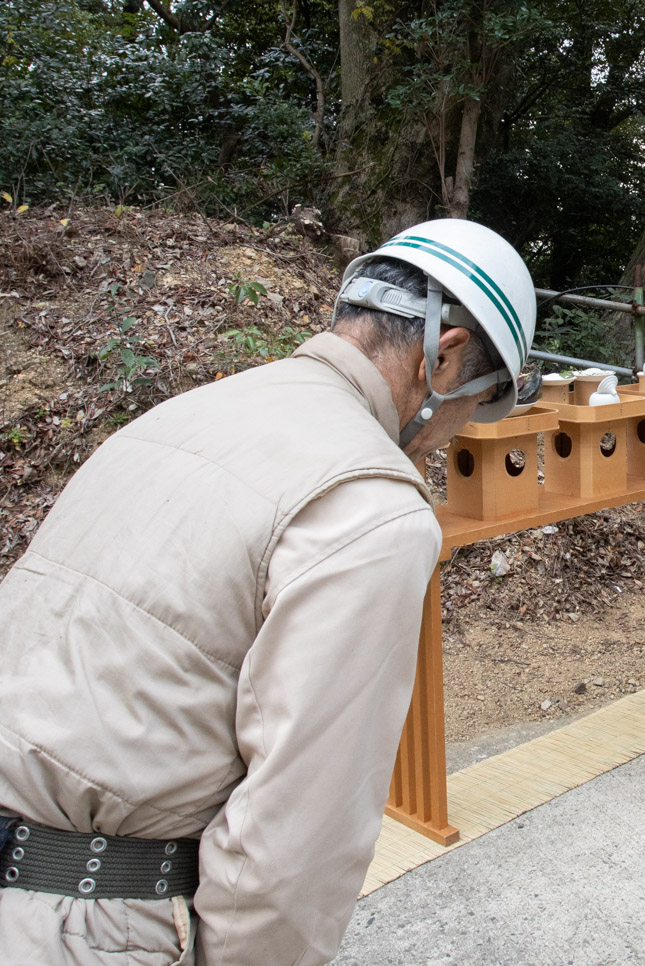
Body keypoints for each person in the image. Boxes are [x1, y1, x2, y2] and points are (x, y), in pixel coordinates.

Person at [0, 219, 536, 962]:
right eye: (473, 404)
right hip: (84, 919)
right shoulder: (370, 507)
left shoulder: (191, 410)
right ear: (443, 360)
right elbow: (293, 842)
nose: (454, 431)